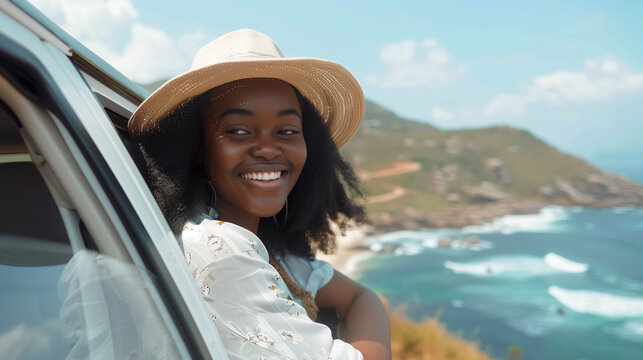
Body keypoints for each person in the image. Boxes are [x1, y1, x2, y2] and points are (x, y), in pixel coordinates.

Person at [129, 29, 391, 359]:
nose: (268, 149)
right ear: (197, 147)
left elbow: (360, 297)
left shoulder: (271, 249)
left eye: (286, 131)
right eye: (238, 131)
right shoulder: (219, 252)